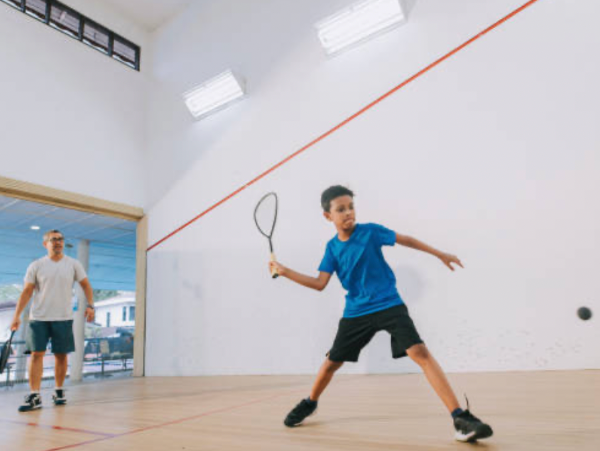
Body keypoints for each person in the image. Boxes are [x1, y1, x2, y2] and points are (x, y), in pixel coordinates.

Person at [269, 185, 493, 442]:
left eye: (351, 207)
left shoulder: (371, 232)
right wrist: (284, 271)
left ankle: (460, 418)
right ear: (327, 216)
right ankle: (310, 402)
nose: (348, 212)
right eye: (340, 209)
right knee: (331, 363)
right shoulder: (332, 249)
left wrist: (439, 253)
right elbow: (320, 283)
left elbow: (406, 240)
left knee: (420, 353)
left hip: (389, 304)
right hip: (356, 313)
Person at [10, 229, 95, 412]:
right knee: (36, 355)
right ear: (45, 244)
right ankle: (35, 395)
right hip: (39, 318)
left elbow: (86, 285)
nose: (58, 242)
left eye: (60, 239)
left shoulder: (73, 264)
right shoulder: (36, 265)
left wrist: (90, 305)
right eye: (53, 239)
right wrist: (16, 316)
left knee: (61, 355)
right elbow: (27, 291)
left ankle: (59, 391)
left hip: (63, 318)